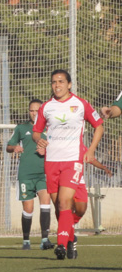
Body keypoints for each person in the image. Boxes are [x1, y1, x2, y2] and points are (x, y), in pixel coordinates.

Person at [32, 70, 103, 261]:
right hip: (51, 162)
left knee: (66, 203)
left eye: (61, 81)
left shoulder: (80, 104)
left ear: (69, 84)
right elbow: (36, 132)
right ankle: (70, 240)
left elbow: (99, 125)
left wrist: (91, 151)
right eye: (54, 82)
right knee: (59, 207)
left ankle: (61, 245)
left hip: (72, 161)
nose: (57, 85)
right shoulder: (46, 107)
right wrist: (40, 140)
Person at [7, 99, 52, 250]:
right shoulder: (21, 128)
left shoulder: (50, 128)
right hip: (26, 174)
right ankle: (26, 241)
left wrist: (46, 151)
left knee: (46, 202)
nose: (34, 113)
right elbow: (8, 146)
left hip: (44, 173)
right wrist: (14, 148)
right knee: (28, 208)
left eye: (37, 111)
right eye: (31, 111)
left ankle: (45, 240)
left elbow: (58, 148)